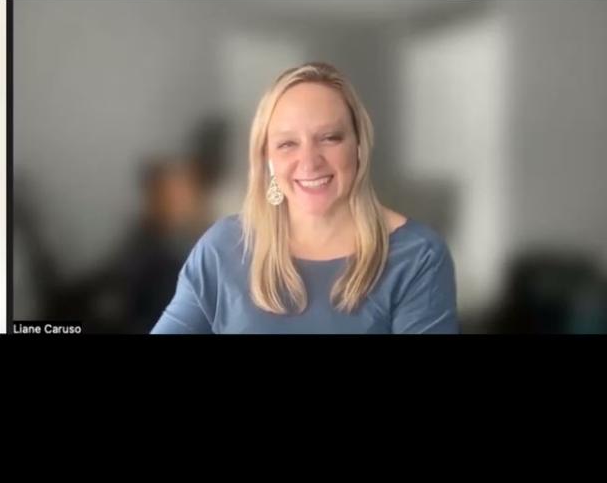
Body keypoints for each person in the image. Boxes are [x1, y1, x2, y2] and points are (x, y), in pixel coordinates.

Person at [152, 62, 458, 334]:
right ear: (267, 157)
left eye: (329, 138)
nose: (310, 162)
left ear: (359, 146)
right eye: (287, 144)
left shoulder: (418, 257)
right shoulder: (221, 248)